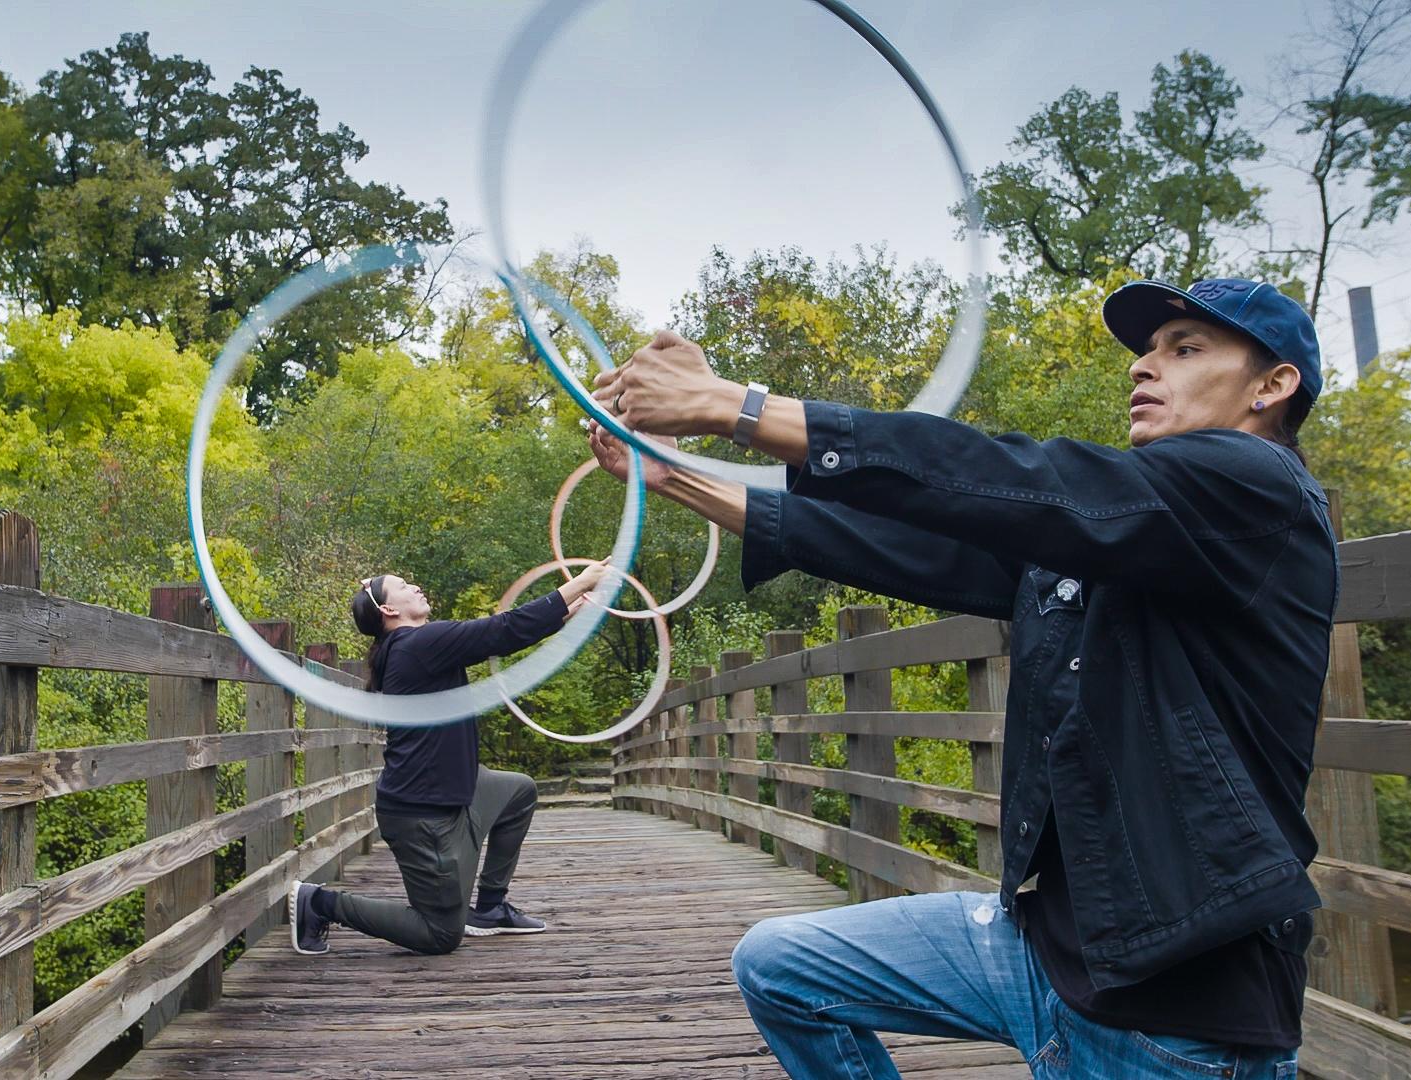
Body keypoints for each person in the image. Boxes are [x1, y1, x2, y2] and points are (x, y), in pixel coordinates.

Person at [584, 278, 1334, 1079]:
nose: (1143, 368)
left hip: (1180, 1005)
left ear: (1272, 385)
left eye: (1183, 349)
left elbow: (1027, 480)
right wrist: (680, 479)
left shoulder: (1256, 489)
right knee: (784, 966)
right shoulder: (1131, 531)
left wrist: (730, 405)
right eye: (1146, 352)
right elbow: (922, 546)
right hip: (1046, 949)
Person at [289, 559, 614, 956]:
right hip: (422, 815)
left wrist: (568, 608)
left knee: (518, 792)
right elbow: (504, 629)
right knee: (440, 935)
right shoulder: (417, 644)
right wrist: (580, 581)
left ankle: (491, 908)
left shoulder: (416, 647)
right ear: (389, 611)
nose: (415, 586)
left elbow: (510, 633)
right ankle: (320, 903)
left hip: (456, 790)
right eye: (404, 585)